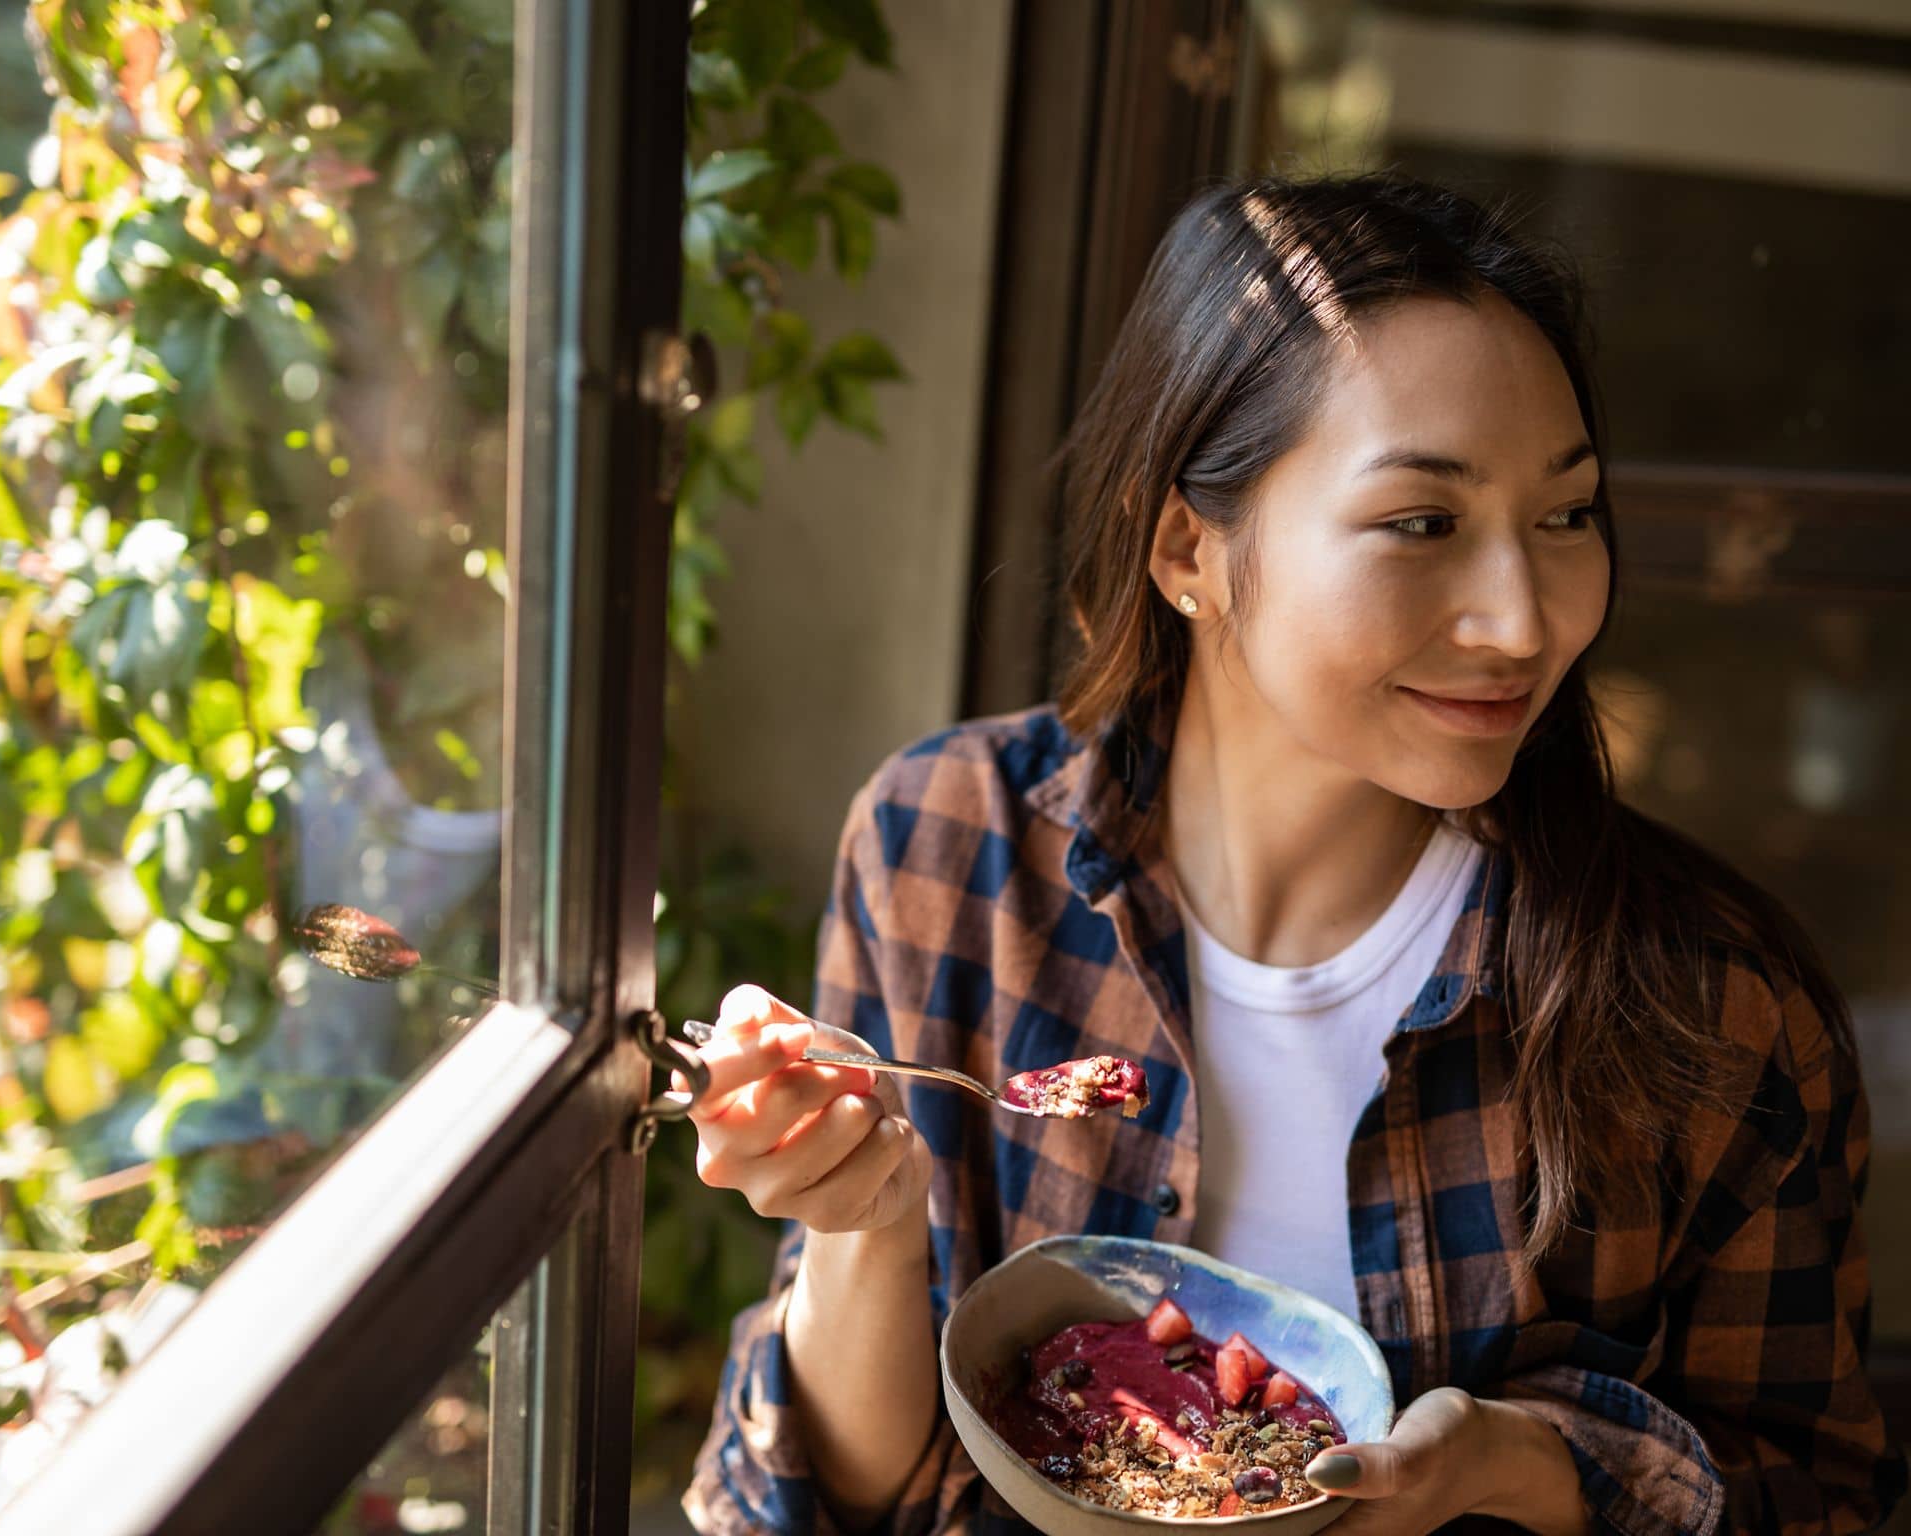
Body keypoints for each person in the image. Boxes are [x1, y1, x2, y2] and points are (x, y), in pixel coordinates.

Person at [679, 173, 1906, 1536]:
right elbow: (838, 1503)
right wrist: (861, 1219)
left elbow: (1826, 1500)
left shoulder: (1713, 1007)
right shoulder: (948, 847)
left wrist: (1531, 1471)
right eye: (1424, 524)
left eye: (1566, 515)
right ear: (1187, 546)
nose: (1521, 617)